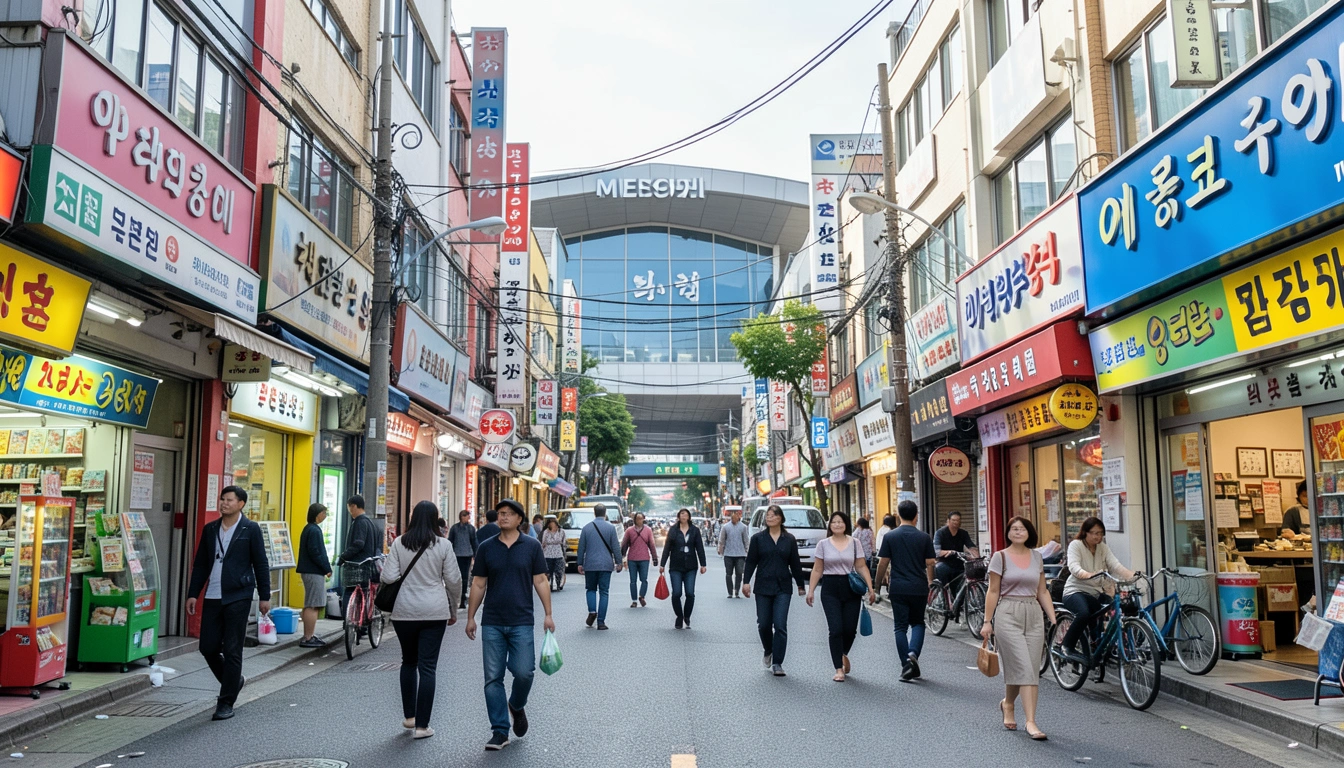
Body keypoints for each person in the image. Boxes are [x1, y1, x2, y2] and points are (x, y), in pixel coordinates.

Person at [465, 499, 554, 751]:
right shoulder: (486, 547)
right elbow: (479, 583)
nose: (503, 517)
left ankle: (516, 704)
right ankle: (499, 731)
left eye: (509, 514)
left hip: (522, 621)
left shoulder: (532, 546)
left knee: (525, 672)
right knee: (493, 678)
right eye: (501, 513)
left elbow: (540, 580)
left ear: (519, 520)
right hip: (492, 621)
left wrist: (548, 613)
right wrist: (471, 617)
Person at [186, 486, 271, 721]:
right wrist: (194, 593)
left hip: (239, 594)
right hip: (213, 594)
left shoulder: (250, 529)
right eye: (222, 499)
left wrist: (265, 596)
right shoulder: (210, 528)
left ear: (241, 503)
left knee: (233, 649)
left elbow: (260, 563)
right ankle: (233, 681)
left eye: (229, 500)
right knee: (208, 647)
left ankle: (225, 703)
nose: (224, 503)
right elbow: (201, 564)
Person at [382, 500, 462, 739]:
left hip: (404, 611)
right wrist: (454, 608)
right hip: (434, 611)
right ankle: (422, 726)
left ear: (413, 517)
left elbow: (388, 576)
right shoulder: (444, 545)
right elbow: (454, 580)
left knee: (408, 661)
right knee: (428, 667)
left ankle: (409, 717)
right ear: (435, 518)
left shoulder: (399, 543)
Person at [982, 516, 1057, 741]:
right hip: (1008, 613)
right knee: (1024, 666)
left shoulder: (1037, 557)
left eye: (1022, 528)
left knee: (1028, 668)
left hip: (1033, 613)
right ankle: (1031, 722)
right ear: (1008, 533)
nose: (1017, 532)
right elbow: (993, 591)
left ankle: (1008, 704)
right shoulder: (1000, 557)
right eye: (1013, 528)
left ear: (1029, 532)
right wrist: (987, 621)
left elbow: (1042, 591)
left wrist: (1053, 618)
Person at [807, 512, 874, 682]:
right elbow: (817, 569)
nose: (837, 524)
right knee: (835, 629)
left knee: (850, 630)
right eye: (834, 522)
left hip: (850, 588)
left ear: (846, 524)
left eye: (841, 522)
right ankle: (838, 668)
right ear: (830, 525)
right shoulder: (823, 544)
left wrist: (871, 588)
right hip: (830, 588)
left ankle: (842, 653)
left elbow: (861, 566)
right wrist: (811, 590)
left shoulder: (855, 543)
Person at [742, 504, 807, 676]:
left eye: (773, 515)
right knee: (763, 624)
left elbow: (795, 563)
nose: (769, 517)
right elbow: (751, 561)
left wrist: (801, 585)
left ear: (780, 518)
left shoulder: (789, 539)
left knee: (780, 625)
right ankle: (768, 649)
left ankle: (777, 662)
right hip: (763, 586)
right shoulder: (758, 538)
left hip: (783, 587)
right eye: (768, 515)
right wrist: (746, 581)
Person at [876, 500, 937, 682]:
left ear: (898, 515)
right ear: (916, 515)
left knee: (900, 626)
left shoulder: (890, 536)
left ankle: (906, 663)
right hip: (918, 587)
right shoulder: (924, 537)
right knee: (918, 623)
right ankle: (913, 654)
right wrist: (930, 582)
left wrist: (876, 587)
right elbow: (930, 563)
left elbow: (883, 563)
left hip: (898, 587)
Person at [1060, 517, 1134, 662]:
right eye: (1094, 533)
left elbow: (1115, 565)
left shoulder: (1103, 548)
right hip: (1075, 590)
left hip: (1096, 592)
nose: (1097, 536)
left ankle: (1099, 646)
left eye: (1100, 533)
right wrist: (1086, 574)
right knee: (1083, 613)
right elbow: (1073, 566)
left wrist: (1132, 575)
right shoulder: (1076, 545)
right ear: (1085, 533)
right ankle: (1067, 646)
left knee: (1116, 609)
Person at [576, 503, 624, 630]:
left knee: (591, 589)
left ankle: (592, 611)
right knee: (604, 592)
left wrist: (580, 563)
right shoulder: (610, 528)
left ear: (594, 512)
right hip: (606, 564)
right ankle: (601, 621)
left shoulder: (586, 528)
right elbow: (615, 547)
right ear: (605, 512)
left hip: (590, 564)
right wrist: (619, 562)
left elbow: (581, 548)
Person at [659, 508, 707, 629]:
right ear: (678, 517)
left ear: (689, 517)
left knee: (690, 593)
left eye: (686, 514)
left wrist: (703, 564)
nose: (683, 516)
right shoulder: (673, 530)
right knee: (676, 593)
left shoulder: (694, 530)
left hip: (691, 566)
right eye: (681, 514)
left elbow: (699, 548)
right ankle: (679, 616)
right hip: (676, 566)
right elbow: (667, 548)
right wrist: (662, 564)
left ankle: (687, 615)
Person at [295, 503, 332, 648]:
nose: (325, 516)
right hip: (314, 571)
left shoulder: (308, 529)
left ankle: (308, 635)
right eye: (324, 513)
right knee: (313, 605)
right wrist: (326, 568)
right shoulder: (314, 530)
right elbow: (316, 552)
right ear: (318, 514)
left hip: (308, 570)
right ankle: (308, 637)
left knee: (309, 603)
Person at [338, 494, 380, 616]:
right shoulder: (370, 523)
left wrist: (343, 557)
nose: (350, 511)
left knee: (349, 592)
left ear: (354, 506)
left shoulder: (360, 522)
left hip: (357, 566)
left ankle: (349, 622)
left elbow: (358, 543)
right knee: (363, 595)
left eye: (349, 508)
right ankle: (361, 625)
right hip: (368, 567)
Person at [621, 512, 658, 607]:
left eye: (641, 519)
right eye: (638, 518)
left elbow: (652, 544)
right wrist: (622, 556)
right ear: (634, 520)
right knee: (633, 581)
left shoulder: (648, 530)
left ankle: (642, 596)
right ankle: (634, 600)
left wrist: (654, 558)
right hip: (632, 558)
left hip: (644, 558)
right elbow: (624, 544)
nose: (639, 520)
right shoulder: (629, 531)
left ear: (643, 519)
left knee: (644, 579)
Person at [933, 512, 978, 585]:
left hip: (960, 563)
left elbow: (971, 546)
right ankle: (943, 593)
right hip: (945, 563)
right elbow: (936, 551)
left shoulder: (963, 533)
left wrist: (975, 555)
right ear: (948, 521)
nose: (956, 522)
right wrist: (950, 552)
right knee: (941, 569)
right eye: (953, 520)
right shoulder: (940, 533)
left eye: (958, 520)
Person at [448, 511, 478, 610]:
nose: (467, 518)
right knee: (457, 576)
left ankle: (463, 598)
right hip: (457, 554)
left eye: (468, 516)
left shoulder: (471, 528)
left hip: (467, 555)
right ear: (461, 516)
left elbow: (474, 542)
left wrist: (475, 554)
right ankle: (457, 597)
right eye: (465, 516)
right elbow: (450, 541)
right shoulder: (455, 528)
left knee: (465, 577)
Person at [718, 508, 750, 598]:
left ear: (738, 517)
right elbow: (722, 540)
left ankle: (737, 590)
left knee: (739, 573)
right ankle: (730, 591)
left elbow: (746, 540)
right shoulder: (726, 527)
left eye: (735, 517)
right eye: (732, 517)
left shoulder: (743, 527)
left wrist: (747, 551)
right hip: (728, 554)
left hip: (740, 554)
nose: (734, 519)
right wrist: (720, 549)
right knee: (729, 574)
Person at [873, 514, 897, 602]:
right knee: (889, 573)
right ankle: (889, 589)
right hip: (888, 554)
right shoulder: (890, 531)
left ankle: (878, 590)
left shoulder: (881, 530)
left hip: (880, 553)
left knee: (884, 573)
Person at [541, 518, 566, 591]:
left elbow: (564, 543)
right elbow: (543, 543)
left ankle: (558, 584)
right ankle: (550, 584)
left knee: (558, 570)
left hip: (558, 553)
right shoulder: (546, 532)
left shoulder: (561, 531)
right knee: (549, 571)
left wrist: (564, 553)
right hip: (548, 554)